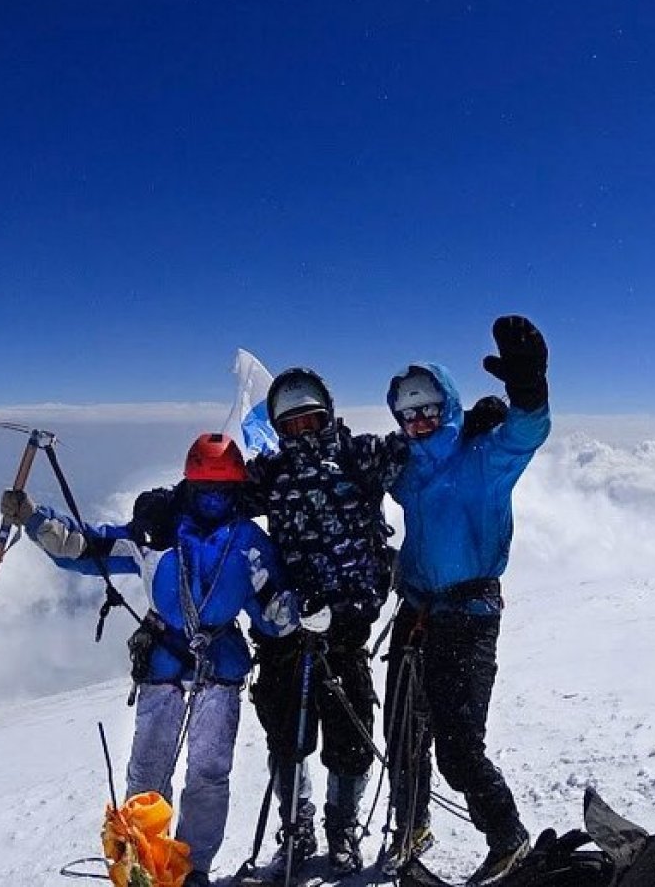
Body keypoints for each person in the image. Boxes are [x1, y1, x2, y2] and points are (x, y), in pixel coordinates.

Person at [130, 369, 408, 882]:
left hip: (345, 622)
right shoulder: (273, 472)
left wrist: (473, 427)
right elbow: (216, 490)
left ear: (328, 414)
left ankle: (341, 828)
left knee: (348, 734)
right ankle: (297, 827)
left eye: (311, 420)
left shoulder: (361, 455)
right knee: (286, 733)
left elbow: (422, 452)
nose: (302, 431)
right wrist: (166, 505)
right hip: (283, 624)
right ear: (279, 428)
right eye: (291, 423)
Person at [1, 433, 297, 887]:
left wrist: (295, 613)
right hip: (186, 663)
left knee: (198, 772)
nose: (215, 499)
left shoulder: (239, 541)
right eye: (206, 490)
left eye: (223, 490)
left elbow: (273, 614)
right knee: (164, 770)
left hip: (203, 665)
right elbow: (88, 548)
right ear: (190, 487)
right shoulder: (163, 533)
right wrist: (36, 519)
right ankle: (149, 866)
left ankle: (184, 869)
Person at [380, 315, 552, 887]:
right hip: (416, 614)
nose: (419, 422)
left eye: (428, 409)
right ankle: (412, 827)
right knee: (403, 734)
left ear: (448, 406)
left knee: (457, 749)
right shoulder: (404, 470)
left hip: (469, 619)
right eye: (409, 414)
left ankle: (508, 838)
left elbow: (528, 432)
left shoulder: (485, 457)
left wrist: (527, 389)